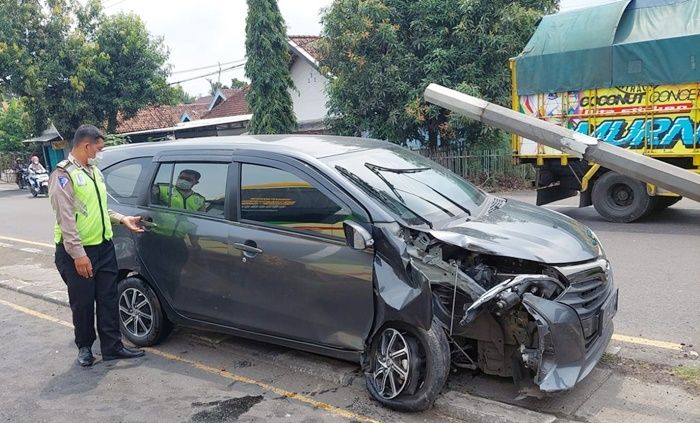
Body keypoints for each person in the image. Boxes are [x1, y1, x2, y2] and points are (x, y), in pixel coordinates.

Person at [49, 124, 146, 367]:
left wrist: (122, 219)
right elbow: (66, 219)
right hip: (78, 252)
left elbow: (99, 208)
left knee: (108, 298)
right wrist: (78, 255)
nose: (99, 153)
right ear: (86, 145)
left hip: (103, 247)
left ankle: (113, 347)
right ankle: (84, 347)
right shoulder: (63, 175)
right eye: (98, 148)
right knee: (82, 303)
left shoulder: (94, 172)